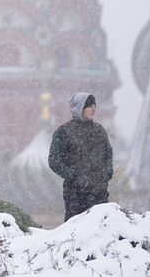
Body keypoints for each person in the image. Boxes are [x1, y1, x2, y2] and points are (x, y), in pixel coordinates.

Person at [48, 92, 113, 221]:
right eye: (88, 105)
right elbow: (54, 160)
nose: (93, 109)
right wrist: (73, 175)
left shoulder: (99, 130)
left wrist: (107, 173)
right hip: (76, 194)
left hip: (99, 192)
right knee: (76, 232)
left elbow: (108, 153)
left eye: (94, 105)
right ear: (79, 108)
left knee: (101, 232)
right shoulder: (64, 132)